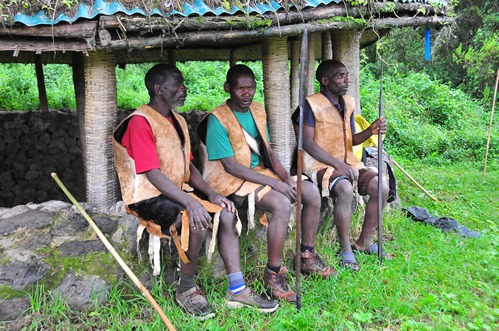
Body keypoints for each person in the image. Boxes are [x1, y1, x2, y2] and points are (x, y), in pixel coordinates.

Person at [112, 64, 278, 320]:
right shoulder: (139, 122)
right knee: (194, 221)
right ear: (158, 89)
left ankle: (237, 289)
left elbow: (188, 165)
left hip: (174, 190)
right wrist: (190, 201)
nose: (184, 88)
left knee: (226, 212)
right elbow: (153, 174)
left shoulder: (176, 119)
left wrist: (211, 194)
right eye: (177, 84)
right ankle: (186, 288)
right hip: (147, 195)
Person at [198, 64, 335, 304]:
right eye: (240, 88)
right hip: (229, 180)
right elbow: (231, 167)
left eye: (251, 88)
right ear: (228, 88)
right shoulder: (217, 119)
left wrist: (285, 178)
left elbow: (268, 153)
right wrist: (280, 187)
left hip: (257, 173)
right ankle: (273, 274)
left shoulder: (258, 111)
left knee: (310, 191)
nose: (246, 93)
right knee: (282, 203)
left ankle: (307, 256)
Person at [291, 60, 389, 272]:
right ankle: (345, 249)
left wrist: (370, 131)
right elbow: (306, 143)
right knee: (344, 188)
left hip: (346, 160)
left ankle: (364, 242)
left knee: (381, 187)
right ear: (325, 81)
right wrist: (336, 163)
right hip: (317, 162)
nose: (346, 80)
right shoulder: (310, 105)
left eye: (346, 75)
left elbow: (350, 140)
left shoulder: (347, 103)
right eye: (340, 76)